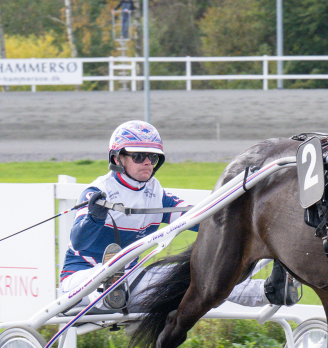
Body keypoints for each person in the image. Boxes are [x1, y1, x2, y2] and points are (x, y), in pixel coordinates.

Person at [60, 120, 299, 312]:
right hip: (80, 281)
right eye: (138, 156)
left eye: (152, 158)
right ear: (117, 158)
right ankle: (110, 289)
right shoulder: (97, 192)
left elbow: (202, 220)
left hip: (133, 279)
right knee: (112, 276)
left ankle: (268, 292)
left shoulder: (158, 195)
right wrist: (94, 217)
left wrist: (246, 206)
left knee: (204, 272)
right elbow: (80, 242)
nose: (147, 163)